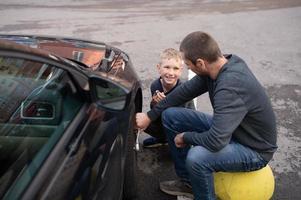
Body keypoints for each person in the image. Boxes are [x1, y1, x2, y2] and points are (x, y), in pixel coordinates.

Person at [135, 31, 277, 200]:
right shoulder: (221, 64)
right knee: (171, 115)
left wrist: (186, 137)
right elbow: (184, 92)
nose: (189, 69)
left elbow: (216, 141)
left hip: (254, 149)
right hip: (233, 130)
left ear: (200, 63)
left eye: (188, 65)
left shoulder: (229, 87)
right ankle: (188, 183)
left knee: (197, 158)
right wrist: (150, 115)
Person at [143, 48, 195, 148]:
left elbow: (179, 118)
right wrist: (154, 103)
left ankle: (182, 144)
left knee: (169, 116)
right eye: (167, 67)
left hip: (183, 126)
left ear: (180, 71)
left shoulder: (183, 90)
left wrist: (164, 104)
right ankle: (163, 139)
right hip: (165, 122)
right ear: (159, 68)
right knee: (141, 120)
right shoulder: (155, 85)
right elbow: (155, 112)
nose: (171, 73)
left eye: (175, 68)